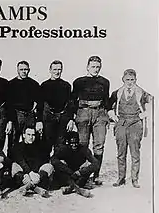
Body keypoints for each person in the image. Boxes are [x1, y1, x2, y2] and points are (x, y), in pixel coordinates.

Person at [108, 69, 151, 188]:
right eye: (127, 79)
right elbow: (108, 105)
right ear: (123, 79)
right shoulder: (117, 92)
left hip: (135, 124)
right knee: (121, 153)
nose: (130, 82)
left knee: (135, 153)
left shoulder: (141, 92)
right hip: (121, 123)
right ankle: (121, 178)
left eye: (132, 80)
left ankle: (134, 179)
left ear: (136, 80)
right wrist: (113, 116)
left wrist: (145, 114)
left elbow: (153, 101)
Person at [72, 56, 110, 186]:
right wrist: (71, 118)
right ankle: (82, 174)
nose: (95, 69)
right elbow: (72, 100)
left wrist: (107, 116)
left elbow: (106, 100)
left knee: (99, 145)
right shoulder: (79, 81)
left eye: (98, 67)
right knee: (83, 144)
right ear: (87, 67)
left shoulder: (104, 82)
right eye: (93, 66)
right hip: (83, 112)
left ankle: (96, 175)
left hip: (100, 113)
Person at [40, 60, 75, 154]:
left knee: (60, 145)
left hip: (62, 118)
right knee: (46, 145)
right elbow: (40, 104)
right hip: (48, 118)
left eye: (59, 69)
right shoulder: (44, 85)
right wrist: (39, 121)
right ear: (50, 70)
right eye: (54, 69)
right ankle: (46, 167)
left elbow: (70, 103)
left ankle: (58, 167)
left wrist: (71, 119)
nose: (57, 72)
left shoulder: (66, 85)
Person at [50, 131, 98, 198]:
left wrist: (81, 172)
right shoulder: (64, 149)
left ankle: (71, 187)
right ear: (68, 143)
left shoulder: (84, 149)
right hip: (68, 175)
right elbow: (53, 160)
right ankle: (75, 188)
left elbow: (96, 163)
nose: (74, 145)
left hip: (79, 175)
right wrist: (68, 170)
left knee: (86, 169)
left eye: (76, 143)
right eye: (72, 143)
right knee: (59, 170)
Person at [7, 60, 43, 149]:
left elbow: (39, 102)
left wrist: (38, 119)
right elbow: (9, 104)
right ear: (17, 70)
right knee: (13, 140)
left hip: (29, 115)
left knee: (31, 139)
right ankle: (12, 160)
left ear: (29, 70)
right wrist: (10, 120)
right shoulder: (11, 84)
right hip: (16, 115)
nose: (24, 71)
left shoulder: (33, 84)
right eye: (21, 69)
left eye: (26, 69)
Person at [10, 126, 53, 198]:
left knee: (49, 167)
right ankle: (36, 188)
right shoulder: (17, 146)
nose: (31, 137)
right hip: (25, 173)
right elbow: (21, 161)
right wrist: (29, 173)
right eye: (28, 134)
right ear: (24, 135)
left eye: (33, 135)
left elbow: (41, 160)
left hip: (36, 174)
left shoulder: (39, 146)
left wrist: (36, 174)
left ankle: (28, 186)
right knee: (14, 166)